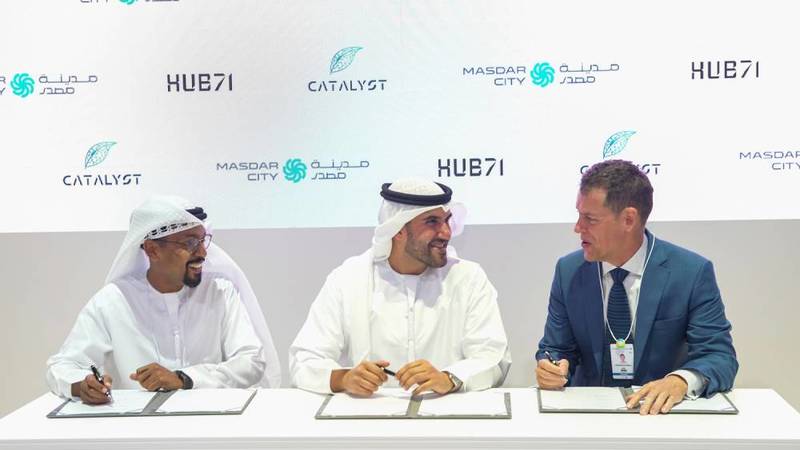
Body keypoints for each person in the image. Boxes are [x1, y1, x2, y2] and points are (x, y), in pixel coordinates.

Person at [536, 160, 737, 415]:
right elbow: (556, 349)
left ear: (628, 219)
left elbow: (720, 356)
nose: (578, 228)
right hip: (589, 415)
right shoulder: (569, 271)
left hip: (660, 416)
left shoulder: (691, 272)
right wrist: (552, 367)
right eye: (579, 215)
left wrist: (680, 381)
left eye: (590, 219)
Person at [46, 195, 281, 404]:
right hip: (137, 429)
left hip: (208, 422)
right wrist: (82, 385)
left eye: (202, 241)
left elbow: (251, 360)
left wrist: (185, 378)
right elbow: (62, 365)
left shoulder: (219, 291)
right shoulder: (114, 300)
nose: (202, 253)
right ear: (152, 250)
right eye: (190, 243)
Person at [289, 178, 511, 397]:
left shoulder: (468, 278)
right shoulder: (349, 279)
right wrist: (344, 378)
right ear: (398, 230)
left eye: (447, 220)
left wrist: (449, 378)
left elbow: (493, 357)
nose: (446, 232)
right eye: (432, 222)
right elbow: (305, 359)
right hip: (369, 415)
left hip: (447, 413)